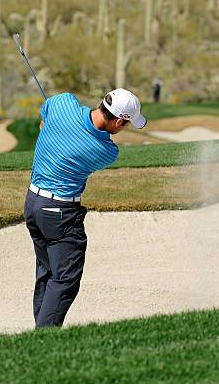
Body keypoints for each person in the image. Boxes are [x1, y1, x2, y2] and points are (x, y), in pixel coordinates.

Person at [24, 88, 147, 329]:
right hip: (59, 213)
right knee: (65, 278)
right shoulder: (107, 151)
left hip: (33, 203)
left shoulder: (62, 103)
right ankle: (44, 337)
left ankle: (38, 332)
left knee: (47, 271)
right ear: (119, 120)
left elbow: (44, 120)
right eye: (126, 125)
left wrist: (50, 127)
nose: (124, 130)